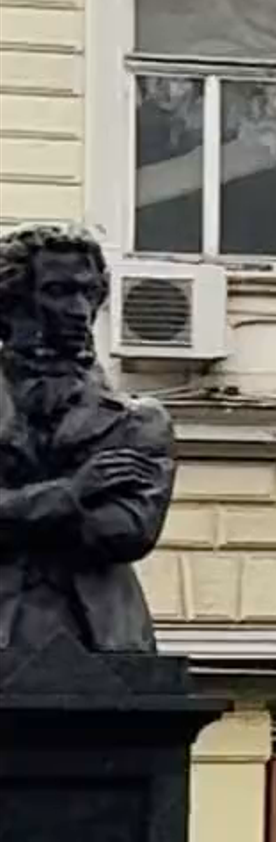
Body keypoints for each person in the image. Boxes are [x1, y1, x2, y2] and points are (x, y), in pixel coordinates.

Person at [0, 227, 177, 667]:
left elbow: (126, 531)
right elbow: (95, 517)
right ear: (11, 303)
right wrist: (73, 492)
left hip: (103, 640)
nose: (79, 311)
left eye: (87, 293)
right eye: (58, 293)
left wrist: (16, 511)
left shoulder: (137, 419)